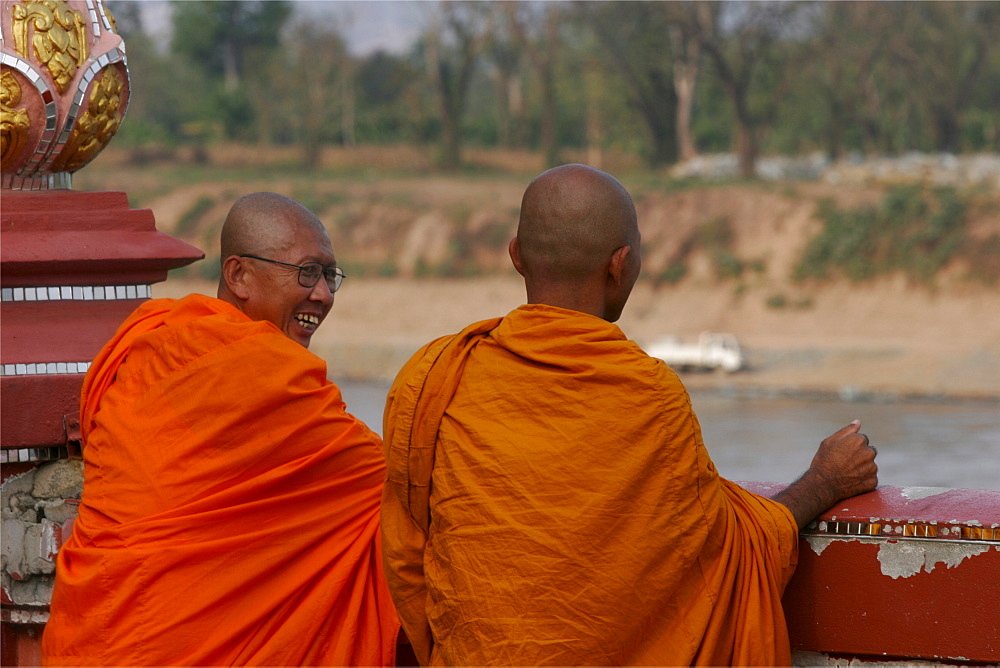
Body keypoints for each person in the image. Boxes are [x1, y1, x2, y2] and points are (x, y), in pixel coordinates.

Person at [380, 164, 878, 666]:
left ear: (516, 256)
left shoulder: (438, 376)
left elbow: (406, 555)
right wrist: (825, 481)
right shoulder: (649, 394)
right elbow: (723, 552)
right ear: (619, 265)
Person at [43, 193, 399, 666]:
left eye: (330, 276)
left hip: (103, 639)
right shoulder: (256, 372)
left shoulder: (155, 344)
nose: (323, 294)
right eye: (307, 272)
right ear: (238, 276)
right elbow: (397, 484)